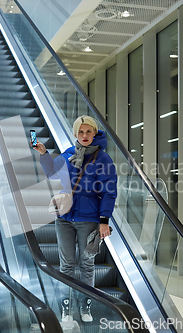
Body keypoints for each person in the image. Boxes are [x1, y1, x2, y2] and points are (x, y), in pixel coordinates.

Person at [32, 115, 117, 323]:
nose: (85, 136)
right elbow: (53, 173)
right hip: (64, 216)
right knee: (66, 265)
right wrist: (44, 154)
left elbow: (109, 191)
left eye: (89, 131)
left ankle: (85, 304)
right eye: (81, 132)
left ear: (95, 133)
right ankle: (66, 306)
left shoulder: (102, 159)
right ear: (75, 134)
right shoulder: (70, 153)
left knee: (87, 264)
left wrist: (104, 220)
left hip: (88, 218)